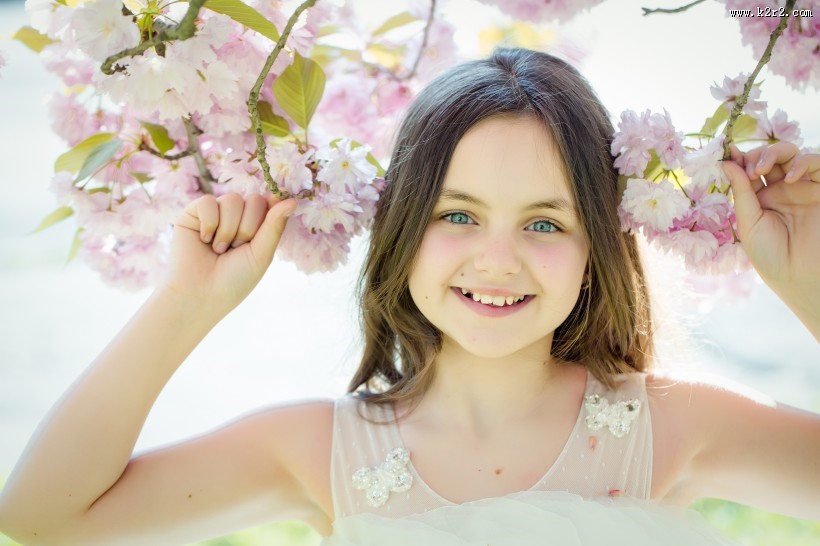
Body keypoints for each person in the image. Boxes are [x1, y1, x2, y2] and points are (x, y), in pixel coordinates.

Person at [0, 48, 818, 546]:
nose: (497, 261)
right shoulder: (320, 451)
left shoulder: (673, 428)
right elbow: (43, 518)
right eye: (457, 214)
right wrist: (187, 302)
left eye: (544, 223)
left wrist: (806, 280)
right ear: (399, 231)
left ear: (598, 248)